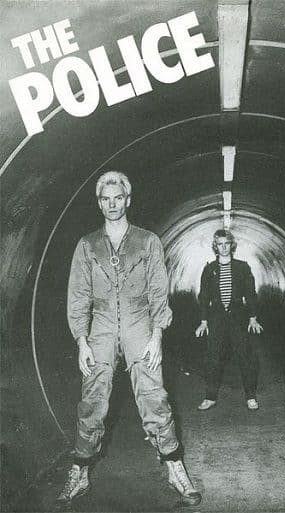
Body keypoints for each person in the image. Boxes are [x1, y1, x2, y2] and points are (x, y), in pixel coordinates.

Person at [57, 171, 201, 507]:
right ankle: (80, 472)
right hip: (101, 325)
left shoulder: (148, 241)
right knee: (92, 399)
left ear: (128, 200)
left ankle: (175, 468)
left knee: (154, 397)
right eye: (105, 199)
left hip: (140, 323)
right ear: (99, 203)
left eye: (118, 198)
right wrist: (81, 340)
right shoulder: (87, 245)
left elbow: (158, 291)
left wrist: (157, 335)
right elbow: (78, 296)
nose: (112, 204)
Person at [195, 229, 263, 410]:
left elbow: (250, 293)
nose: (224, 247)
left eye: (227, 244)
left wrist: (253, 317)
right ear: (215, 247)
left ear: (231, 245)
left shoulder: (242, 267)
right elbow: (204, 296)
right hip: (217, 316)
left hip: (238, 316)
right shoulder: (209, 269)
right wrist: (204, 320)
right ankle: (210, 397)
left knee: (245, 357)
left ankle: (250, 397)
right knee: (213, 357)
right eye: (220, 244)